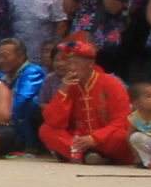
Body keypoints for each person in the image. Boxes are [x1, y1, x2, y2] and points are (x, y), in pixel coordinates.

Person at [35, 35, 134, 163]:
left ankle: (82, 155)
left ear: (90, 64)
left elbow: (122, 121)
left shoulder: (111, 83)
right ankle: (88, 156)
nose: (71, 68)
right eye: (69, 63)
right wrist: (63, 91)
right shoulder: (69, 85)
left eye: (76, 63)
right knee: (46, 130)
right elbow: (55, 122)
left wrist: (94, 138)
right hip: (80, 139)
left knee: (120, 136)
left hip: (106, 139)